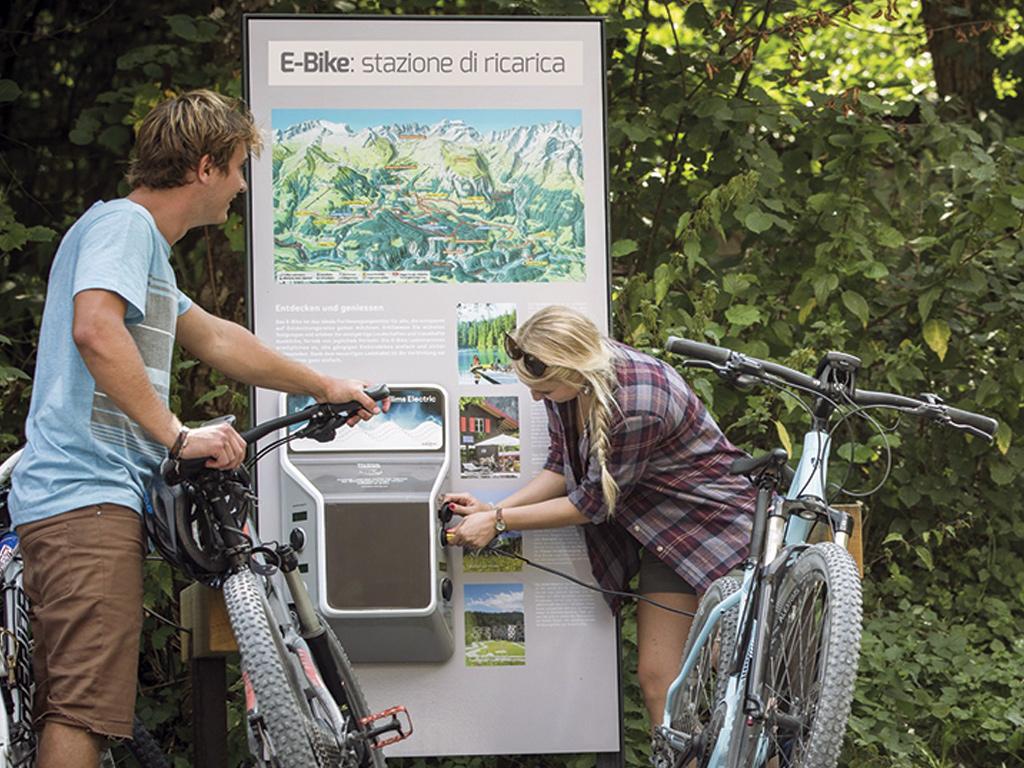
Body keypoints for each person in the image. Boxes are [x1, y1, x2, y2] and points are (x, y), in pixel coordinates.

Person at [8, 90, 385, 768]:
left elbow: (214, 336)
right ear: (206, 166)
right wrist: (177, 436)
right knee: (83, 713)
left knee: (85, 703)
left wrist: (323, 385)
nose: (242, 185)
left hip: (92, 497)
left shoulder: (138, 244)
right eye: (240, 168)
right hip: (82, 496)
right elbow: (95, 328)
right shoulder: (124, 227)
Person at [446, 305, 755, 726]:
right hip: (663, 538)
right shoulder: (571, 382)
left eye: (544, 389)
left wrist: (500, 523)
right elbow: (562, 465)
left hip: (712, 526)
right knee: (657, 678)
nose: (536, 398)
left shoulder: (635, 402)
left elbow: (592, 503)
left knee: (735, 677)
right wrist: (496, 508)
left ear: (574, 368)